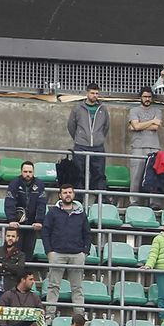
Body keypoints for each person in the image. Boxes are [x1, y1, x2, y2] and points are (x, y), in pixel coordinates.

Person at [43, 183, 91, 312]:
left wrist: (85, 252)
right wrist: (49, 252)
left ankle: (79, 318)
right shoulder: (53, 212)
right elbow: (45, 232)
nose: (67, 195)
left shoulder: (81, 214)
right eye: (65, 192)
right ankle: (49, 316)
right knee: (53, 286)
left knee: (77, 288)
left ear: (73, 194)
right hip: (57, 254)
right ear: (60, 195)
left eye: (70, 192)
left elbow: (87, 233)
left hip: (77, 255)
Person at [67, 84, 112, 193]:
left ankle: (100, 199)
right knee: (78, 173)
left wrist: (99, 138)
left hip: (98, 147)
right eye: (92, 93)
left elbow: (106, 126)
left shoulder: (103, 109)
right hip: (81, 146)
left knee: (99, 174)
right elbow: (71, 126)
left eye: (96, 93)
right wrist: (79, 138)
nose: (94, 95)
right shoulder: (77, 108)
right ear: (87, 93)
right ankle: (78, 198)